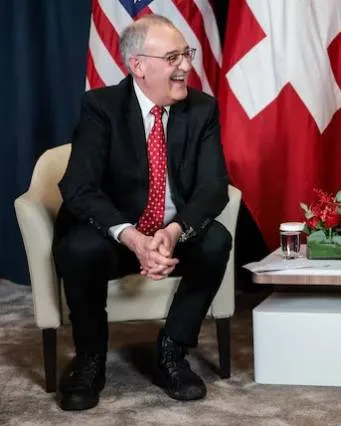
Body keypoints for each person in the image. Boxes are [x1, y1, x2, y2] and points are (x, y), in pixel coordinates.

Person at [53, 14, 231, 411]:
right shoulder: (101, 107)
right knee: (79, 248)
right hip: (115, 237)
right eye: (173, 57)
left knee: (217, 240)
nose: (186, 66)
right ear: (138, 66)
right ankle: (89, 359)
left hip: (171, 234)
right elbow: (78, 187)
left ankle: (173, 351)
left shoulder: (201, 110)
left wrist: (174, 231)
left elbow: (213, 186)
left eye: (187, 53)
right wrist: (133, 237)